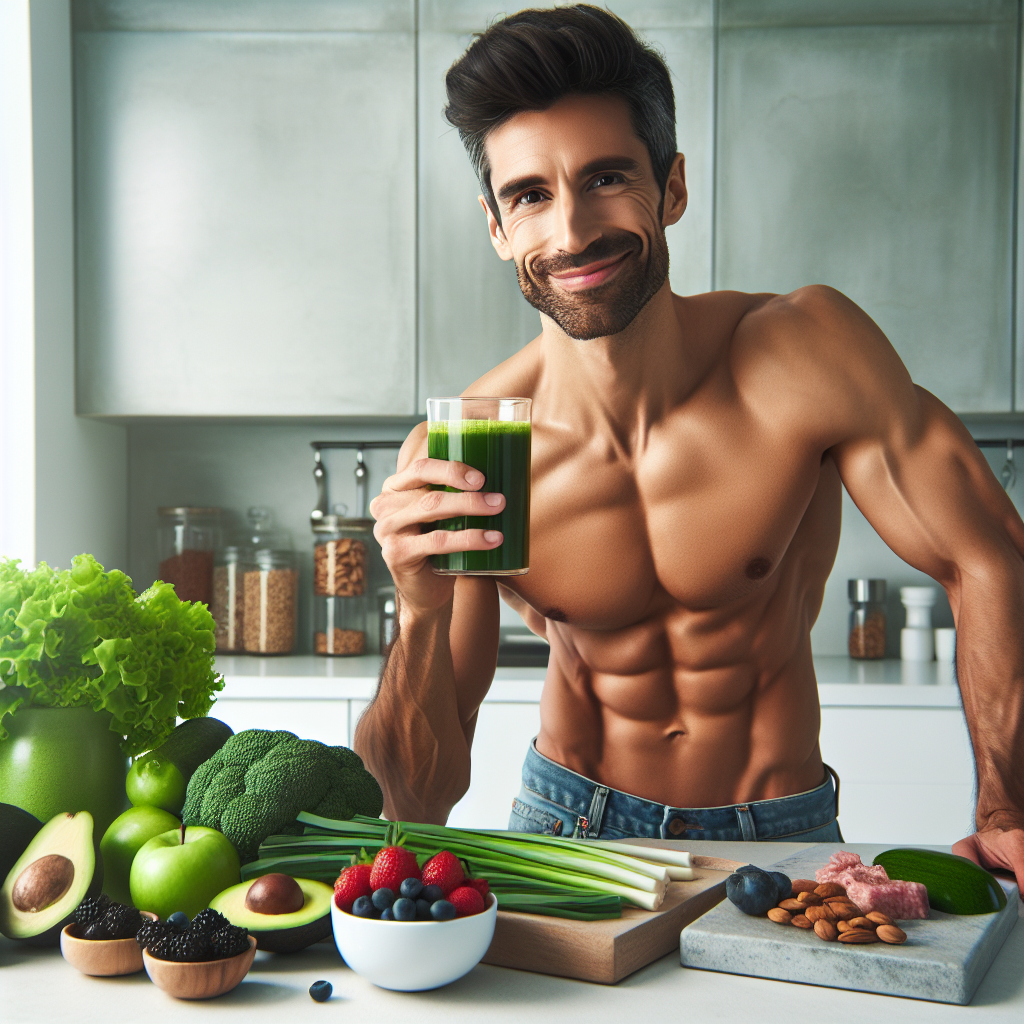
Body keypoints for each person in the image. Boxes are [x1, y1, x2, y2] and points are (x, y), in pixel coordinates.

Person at [355, 5, 1024, 888]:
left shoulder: (803, 354)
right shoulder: (473, 444)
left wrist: (1005, 809)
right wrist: (420, 607)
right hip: (568, 829)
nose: (570, 232)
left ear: (671, 187)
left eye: (604, 179)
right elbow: (418, 801)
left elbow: (988, 557)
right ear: (497, 228)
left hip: (780, 830)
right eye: (531, 196)